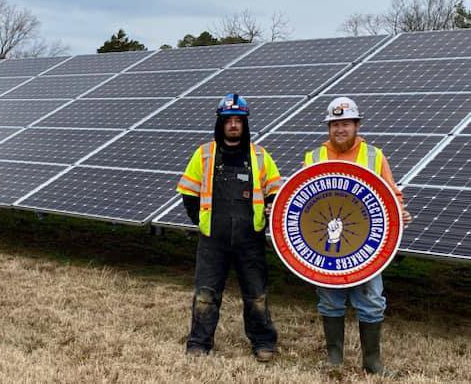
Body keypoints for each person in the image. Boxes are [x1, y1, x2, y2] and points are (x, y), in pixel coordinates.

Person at [302, 96, 412, 375]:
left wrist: (399, 213)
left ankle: (372, 363)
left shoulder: (374, 155)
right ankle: (334, 359)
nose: (340, 129)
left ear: (357, 125)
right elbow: (301, 197)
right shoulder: (314, 157)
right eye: (335, 124)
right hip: (325, 247)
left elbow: (391, 194)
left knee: (373, 302)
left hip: (367, 246)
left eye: (346, 123)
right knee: (329, 300)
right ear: (329, 127)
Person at [176, 93, 282, 362]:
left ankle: (263, 342)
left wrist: (266, 215)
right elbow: (188, 193)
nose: (233, 125)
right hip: (213, 241)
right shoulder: (204, 155)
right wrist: (202, 222)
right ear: (220, 124)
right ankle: (199, 342)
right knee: (205, 295)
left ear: (245, 124)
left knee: (256, 295)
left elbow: (276, 193)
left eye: (238, 120)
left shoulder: (260, 156)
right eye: (228, 120)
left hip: (251, 240)